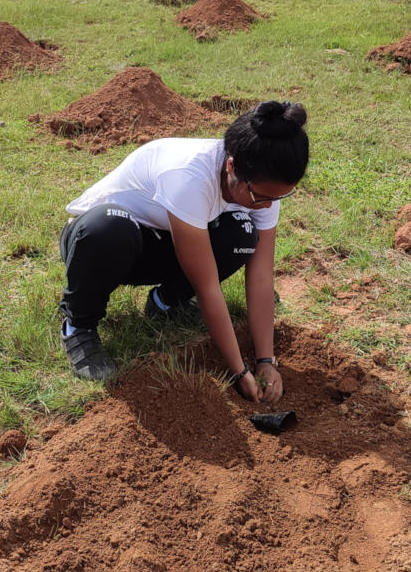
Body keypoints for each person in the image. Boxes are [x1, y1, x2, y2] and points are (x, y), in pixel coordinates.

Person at [56, 101, 309, 403]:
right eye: (261, 197)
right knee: (110, 228)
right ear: (231, 168)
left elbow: (261, 278)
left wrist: (266, 361)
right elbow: (207, 288)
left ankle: (165, 303)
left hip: (167, 240)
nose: (267, 204)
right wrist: (240, 372)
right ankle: (78, 325)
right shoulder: (188, 177)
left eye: (278, 197)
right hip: (100, 245)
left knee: (242, 233)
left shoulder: (262, 182)